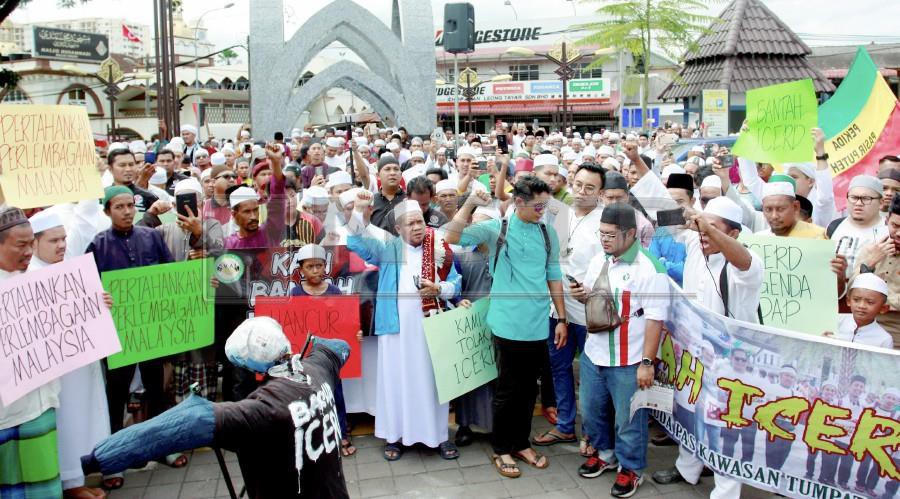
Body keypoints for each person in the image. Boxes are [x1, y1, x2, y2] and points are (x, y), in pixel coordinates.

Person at [81, 317, 352, 499]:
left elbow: (192, 421)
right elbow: (340, 347)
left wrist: (93, 461)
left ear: (248, 366)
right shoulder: (317, 368)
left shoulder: (261, 410)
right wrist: (311, 352)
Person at [444, 178, 567, 479]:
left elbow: (553, 274)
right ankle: (501, 448)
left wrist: (561, 318)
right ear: (519, 202)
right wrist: (471, 202)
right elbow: (452, 236)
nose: (543, 210)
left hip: (538, 323)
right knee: (507, 390)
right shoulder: (497, 229)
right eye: (538, 205)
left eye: (546, 205)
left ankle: (521, 443)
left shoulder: (548, 232)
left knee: (528, 390)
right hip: (506, 323)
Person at [346, 193, 462, 461]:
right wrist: (359, 211)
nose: (418, 227)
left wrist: (439, 288)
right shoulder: (388, 250)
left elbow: (456, 282)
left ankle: (438, 436)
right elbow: (355, 240)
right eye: (410, 224)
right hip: (396, 331)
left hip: (431, 329)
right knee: (395, 382)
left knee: (434, 383)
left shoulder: (439, 247)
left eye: (420, 221)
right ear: (397, 228)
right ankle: (394, 437)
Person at [569, 203, 669, 498]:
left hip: (629, 358)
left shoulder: (650, 268)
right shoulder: (600, 259)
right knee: (591, 409)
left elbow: (655, 318)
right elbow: (591, 292)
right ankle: (605, 453)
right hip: (594, 351)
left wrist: (647, 362)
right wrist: (582, 293)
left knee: (628, 419)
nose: (604, 239)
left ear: (630, 234)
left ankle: (632, 468)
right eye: (601, 233)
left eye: (611, 234)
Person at [86, 186, 176, 489]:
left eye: (130, 206)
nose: (126, 212)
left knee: (158, 389)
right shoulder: (97, 245)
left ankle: (164, 447)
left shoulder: (151, 236)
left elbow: (171, 275)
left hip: (151, 328)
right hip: (117, 332)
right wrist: (100, 298)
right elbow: (87, 291)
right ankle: (114, 460)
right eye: (118, 207)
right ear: (107, 211)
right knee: (116, 394)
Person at [27, 206, 110, 499]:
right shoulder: (27, 276)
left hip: (81, 364)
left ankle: (79, 477)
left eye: (64, 239)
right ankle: (71, 484)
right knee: (67, 423)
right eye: (53, 240)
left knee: (85, 418)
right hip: (55, 374)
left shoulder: (72, 267)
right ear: (33, 243)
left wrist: (99, 304)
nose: (62, 245)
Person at [532, 163, 605, 455]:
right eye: (579, 185)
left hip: (589, 312)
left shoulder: (604, 221)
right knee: (559, 368)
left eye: (590, 188)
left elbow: (610, 267)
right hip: (557, 308)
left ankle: (591, 432)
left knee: (590, 375)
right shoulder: (559, 215)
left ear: (600, 193)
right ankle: (565, 425)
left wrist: (591, 289)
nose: (583, 192)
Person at [0, 207, 64, 499]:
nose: (29, 252)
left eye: (31, 244)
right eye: (20, 245)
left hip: (41, 403)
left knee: (45, 483)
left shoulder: (39, 278)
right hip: (7, 412)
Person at [289, 244, 358, 457]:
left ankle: (341, 432)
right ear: (301, 270)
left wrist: (356, 335)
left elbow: (346, 322)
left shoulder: (335, 291)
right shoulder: (296, 293)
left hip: (330, 356)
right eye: (310, 267)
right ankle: (315, 436)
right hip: (307, 356)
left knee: (336, 393)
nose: (316, 271)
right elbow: (291, 325)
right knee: (309, 396)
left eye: (319, 266)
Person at [855, 194, 900, 343]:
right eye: (895, 226)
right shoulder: (871, 247)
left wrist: (882, 302)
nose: (899, 234)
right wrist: (871, 262)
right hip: (863, 323)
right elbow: (852, 290)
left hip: (896, 325)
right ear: (887, 221)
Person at [224, 144, 286, 250]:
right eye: (247, 212)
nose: (253, 216)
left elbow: (277, 195)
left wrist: (276, 162)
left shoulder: (269, 233)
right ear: (234, 214)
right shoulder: (228, 245)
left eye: (256, 210)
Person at [828, 175, 888, 279]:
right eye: (854, 198)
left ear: (881, 202)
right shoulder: (834, 226)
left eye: (866, 198)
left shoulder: (888, 231)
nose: (859, 203)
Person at [826, 273, 894, 348]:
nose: (861, 306)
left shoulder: (884, 339)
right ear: (848, 301)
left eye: (870, 302)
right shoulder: (834, 321)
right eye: (856, 300)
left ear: (883, 308)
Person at [756, 181, 826, 238]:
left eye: (780, 209)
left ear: (796, 207)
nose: (774, 216)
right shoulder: (758, 240)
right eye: (768, 209)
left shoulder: (819, 237)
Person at [369, 154, 407, 236]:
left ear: (400, 175)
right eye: (387, 169)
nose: (392, 173)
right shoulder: (371, 201)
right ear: (378, 176)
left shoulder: (409, 200)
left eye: (396, 169)